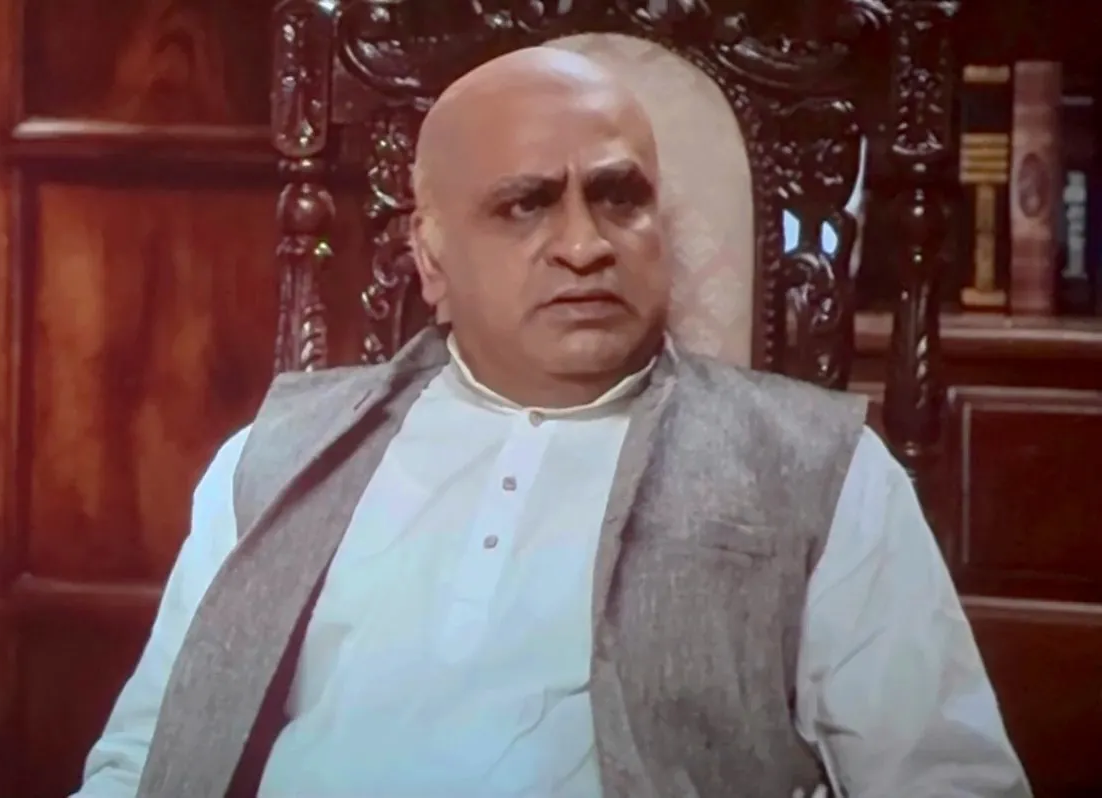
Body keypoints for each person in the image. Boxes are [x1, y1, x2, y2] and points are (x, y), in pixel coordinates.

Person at [73, 47, 1029, 798]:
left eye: (619, 198)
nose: (584, 244)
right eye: (525, 206)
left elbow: (945, 780)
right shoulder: (278, 459)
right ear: (431, 260)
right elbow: (148, 758)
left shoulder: (820, 472)